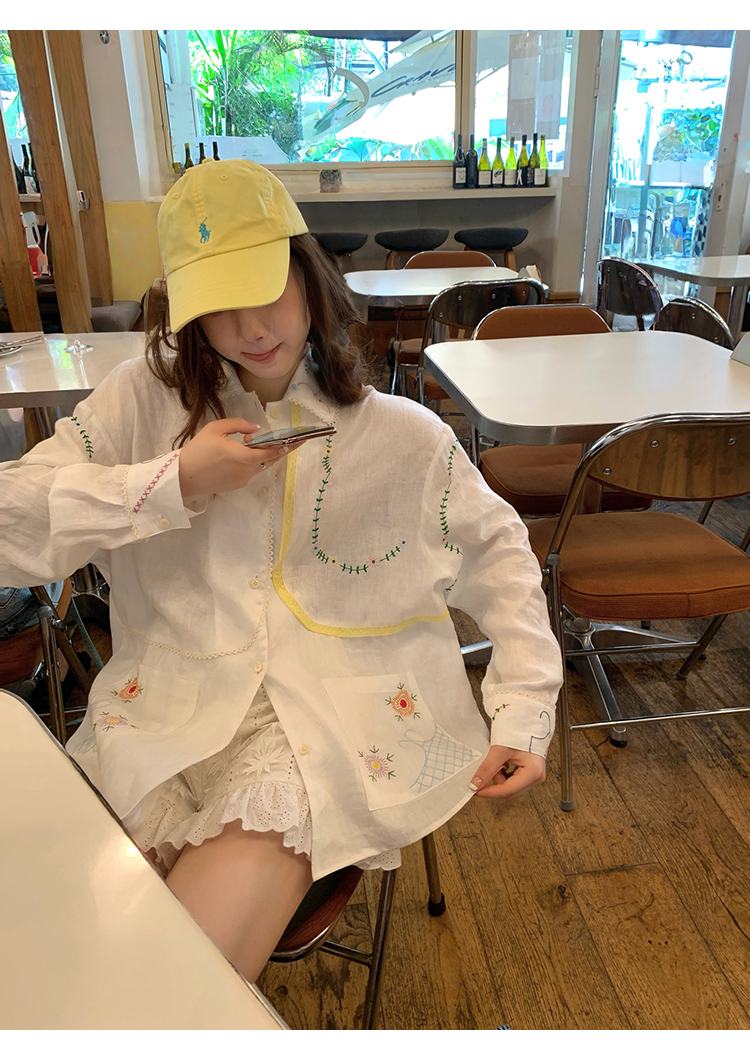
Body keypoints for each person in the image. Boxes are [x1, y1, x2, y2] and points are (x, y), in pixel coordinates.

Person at [0, 159, 562, 983]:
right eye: (215, 307)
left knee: (170, 986)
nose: (251, 328)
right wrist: (169, 484)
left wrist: (526, 705)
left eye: (267, 290)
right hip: (161, 710)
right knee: (57, 953)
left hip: (325, 721)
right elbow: (11, 525)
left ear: (307, 273)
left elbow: (501, 553)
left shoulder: (399, 434)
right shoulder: (138, 403)